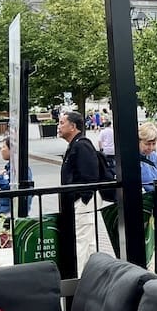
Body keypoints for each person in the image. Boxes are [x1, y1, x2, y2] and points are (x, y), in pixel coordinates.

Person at [58, 108, 102, 273]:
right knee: (87, 242)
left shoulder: (82, 146)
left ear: (73, 126)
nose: (59, 126)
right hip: (79, 202)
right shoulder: (76, 145)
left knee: (82, 241)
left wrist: (82, 199)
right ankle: (89, 276)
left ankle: (79, 279)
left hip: (82, 203)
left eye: (62, 123)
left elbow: (90, 175)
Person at [138, 122, 157, 191]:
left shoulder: (154, 156)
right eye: (147, 144)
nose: (151, 148)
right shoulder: (131, 158)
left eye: (154, 144)